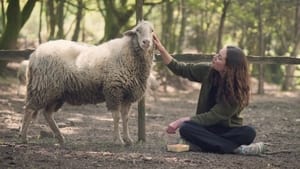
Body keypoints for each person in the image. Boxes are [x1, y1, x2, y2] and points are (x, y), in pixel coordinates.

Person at [153, 33, 265, 155]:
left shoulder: (238, 91)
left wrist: (180, 120)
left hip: (227, 130)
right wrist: (161, 49)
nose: (215, 58)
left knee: (249, 132)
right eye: (217, 54)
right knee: (186, 129)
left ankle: (201, 144)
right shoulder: (208, 71)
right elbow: (180, 68)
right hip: (205, 128)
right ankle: (236, 149)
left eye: (220, 58)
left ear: (229, 67)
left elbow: (213, 116)